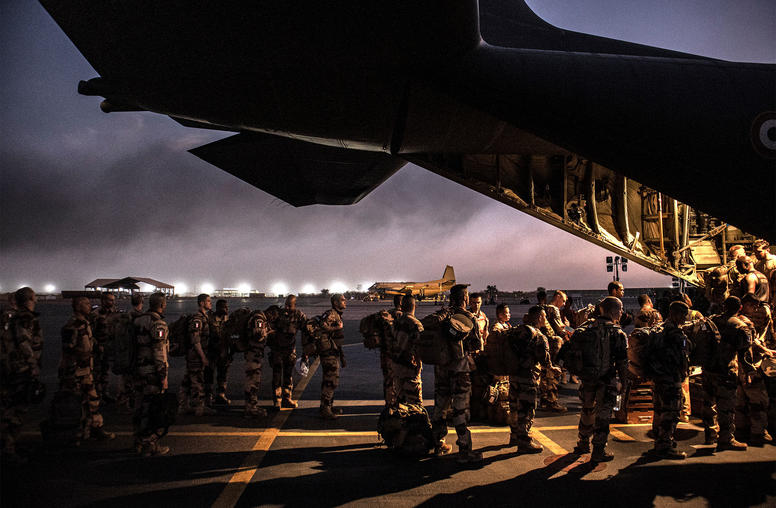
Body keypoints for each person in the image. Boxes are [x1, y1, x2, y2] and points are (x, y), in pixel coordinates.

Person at [571, 296, 628, 462]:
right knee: (603, 415)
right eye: (620, 309)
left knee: (587, 410)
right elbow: (622, 362)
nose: (622, 312)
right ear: (613, 311)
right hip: (606, 380)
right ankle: (598, 450)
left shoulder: (586, 328)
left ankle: (582, 442)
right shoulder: (617, 333)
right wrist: (623, 382)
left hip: (587, 379)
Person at [431, 284, 483, 464]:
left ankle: (438, 444)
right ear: (465, 299)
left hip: (441, 369)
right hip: (460, 371)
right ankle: (464, 450)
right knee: (460, 409)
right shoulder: (468, 317)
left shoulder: (440, 316)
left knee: (440, 406)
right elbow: (477, 345)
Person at [60, 296, 116, 442]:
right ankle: (75, 432)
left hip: (85, 371)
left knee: (92, 400)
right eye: (86, 304)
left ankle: (94, 428)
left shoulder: (86, 324)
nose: (89, 306)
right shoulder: (72, 325)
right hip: (75, 372)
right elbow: (67, 351)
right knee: (75, 403)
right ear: (78, 306)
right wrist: (69, 373)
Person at [0, 287, 41, 462]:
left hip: (11, 367)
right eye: (34, 297)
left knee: (10, 406)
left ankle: (10, 444)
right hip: (20, 369)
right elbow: (24, 341)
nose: (37, 300)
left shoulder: (13, 316)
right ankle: (8, 449)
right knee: (15, 409)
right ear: (30, 299)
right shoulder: (25, 317)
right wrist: (32, 365)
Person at [507, 306, 554, 453]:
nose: (545, 320)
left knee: (514, 407)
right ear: (539, 317)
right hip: (528, 377)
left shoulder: (517, 331)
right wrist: (553, 368)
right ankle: (524, 441)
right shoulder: (539, 336)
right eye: (544, 317)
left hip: (514, 375)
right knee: (526, 410)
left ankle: (514, 435)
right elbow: (544, 359)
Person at [707, 297, 750, 450]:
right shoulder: (739, 325)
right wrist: (748, 370)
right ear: (740, 308)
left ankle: (710, 434)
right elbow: (744, 351)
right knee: (726, 406)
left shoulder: (712, 321)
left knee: (709, 404)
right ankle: (726, 439)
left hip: (708, 369)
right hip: (726, 370)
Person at [649, 301, 691, 459]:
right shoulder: (675, 334)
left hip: (658, 378)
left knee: (659, 410)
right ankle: (665, 445)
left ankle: (658, 442)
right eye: (683, 314)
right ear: (676, 314)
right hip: (671, 378)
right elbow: (682, 356)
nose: (685, 318)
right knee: (671, 412)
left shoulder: (658, 330)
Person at [133, 292, 171, 456]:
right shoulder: (158, 323)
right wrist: (163, 376)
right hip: (151, 373)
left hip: (137, 370)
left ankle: (138, 441)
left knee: (140, 405)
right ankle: (150, 445)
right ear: (162, 304)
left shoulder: (137, 320)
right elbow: (159, 352)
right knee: (153, 407)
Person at [738, 294, 775, 445]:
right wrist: (765, 351)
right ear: (745, 305)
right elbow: (751, 343)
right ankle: (758, 432)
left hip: (739, 365)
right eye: (752, 306)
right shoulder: (744, 323)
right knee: (759, 399)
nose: (755, 310)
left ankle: (740, 429)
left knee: (740, 399)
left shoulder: (735, 320)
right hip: (749, 366)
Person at [179, 294, 215, 416]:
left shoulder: (205, 317)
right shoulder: (197, 319)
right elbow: (195, 339)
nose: (210, 303)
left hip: (196, 354)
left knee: (188, 379)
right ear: (201, 303)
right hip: (196, 355)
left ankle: (183, 405)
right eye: (208, 301)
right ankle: (199, 407)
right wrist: (203, 357)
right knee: (197, 380)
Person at [271, 294, 307, 409]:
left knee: (288, 375)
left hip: (290, 350)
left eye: (289, 305)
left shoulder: (299, 315)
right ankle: (277, 400)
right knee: (277, 375)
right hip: (277, 349)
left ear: (294, 305)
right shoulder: (278, 314)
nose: (286, 307)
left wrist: (306, 350)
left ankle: (287, 398)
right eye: (286, 305)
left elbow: (306, 330)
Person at [538, 290, 568, 412]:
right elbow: (560, 329)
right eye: (564, 300)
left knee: (545, 374)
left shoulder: (543, 308)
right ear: (558, 297)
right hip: (553, 346)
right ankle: (551, 401)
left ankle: (544, 401)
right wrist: (568, 326)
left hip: (543, 346)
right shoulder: (554, 309)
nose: (564, 304)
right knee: (552, 374)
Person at [391, 295, 423, 405]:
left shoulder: (396, 322)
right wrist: (419, 365)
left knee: (400, 402)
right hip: (410, 367)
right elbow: (418, 347)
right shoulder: (415, 324)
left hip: (397, 367)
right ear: (415, 306)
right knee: (414, 402)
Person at [319, 294, 347, 419]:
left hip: (334, 351)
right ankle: (325, 409)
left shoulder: (337, 314)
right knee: (330, 380)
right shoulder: (331, 314)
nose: (345, 301)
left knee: (331, 379)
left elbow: (337, 339)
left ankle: (328, 406)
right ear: (335, 303)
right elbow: (321, 326)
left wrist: (342, 356)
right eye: (342, 300)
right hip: (328, 352)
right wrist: (336, 327)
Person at [117, 293, 144, 411]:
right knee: (135, 378)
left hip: (125, 350)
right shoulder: (139, 317)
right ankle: (132, 403)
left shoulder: (125, 316)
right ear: (141, 303)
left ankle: (123, 401)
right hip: (136, 350)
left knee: (125, 377)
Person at [90, 292, 118, 403]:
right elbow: (90, 333)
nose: (111, 302)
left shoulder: (114, 313)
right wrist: (96, 345)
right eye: (109, 300)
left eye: (112, 300)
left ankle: (104, 393)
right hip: (98, 348)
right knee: (97, 372)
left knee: (105, 371)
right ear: (103, 301)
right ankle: (97, 394)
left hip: (109, 347)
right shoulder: (95, 315)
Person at [245, 308, 270, 418]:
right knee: (253, 382)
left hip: (253, 354)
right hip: (254, 355)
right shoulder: (259, 319)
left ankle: (250, 407)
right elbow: (258, 335)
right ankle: (251, 408)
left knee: (252, 381)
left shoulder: (254, 317)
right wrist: (266, 333)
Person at [206, 299, 232, 406]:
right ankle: (208, 398)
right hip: (211, 352)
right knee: (209, 375)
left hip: (224, 352)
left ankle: (221, 395)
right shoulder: (209, 319)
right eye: (224, 307)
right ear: (218, 308)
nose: (227, 309)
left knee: (223, 374)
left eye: (227, 307)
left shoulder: (227, 319)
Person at [381, 294, 402, 408]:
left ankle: (388, 403)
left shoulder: (387, 314)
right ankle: (394, 405)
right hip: (395, 353)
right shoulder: (400, 316)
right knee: (396, 380)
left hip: (385, 352)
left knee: (388, 380)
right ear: (400, 303)